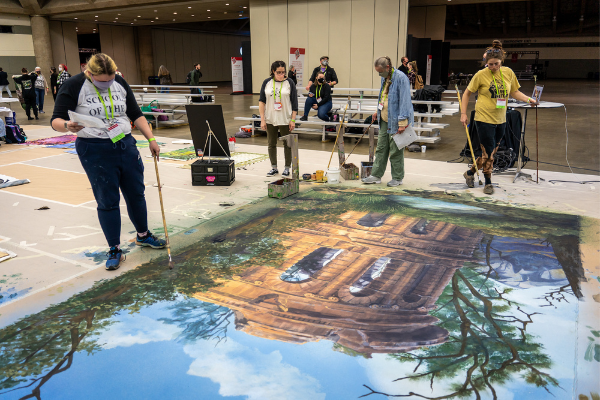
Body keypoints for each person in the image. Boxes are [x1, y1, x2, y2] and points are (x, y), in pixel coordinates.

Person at [51, 53, 166, 270]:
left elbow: (135, 113)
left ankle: (143, 235)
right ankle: (114, 248)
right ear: (89, 73)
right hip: (95, 150)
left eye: (110, 78)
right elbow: (55, 120)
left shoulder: (120, 83)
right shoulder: (74, 85)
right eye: (101, 80)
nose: (106, 83)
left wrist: (151, 138)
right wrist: (67, 125)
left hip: (124, 145)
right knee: (108, 200)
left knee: (136, 193)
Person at [460, 40, 538, 195]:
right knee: (489, 153)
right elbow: (467, 93)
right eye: (490, 64)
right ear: (485, 63)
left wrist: (529, 100)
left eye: (496, 64)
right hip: (483, 118)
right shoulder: (480, 75)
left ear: (501, 61)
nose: (493, 67)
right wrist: (463, 114)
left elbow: (514, 92)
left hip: (501, 119)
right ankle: (488, 182)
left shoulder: (508, 73)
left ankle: (469, 173)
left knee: (489, 153)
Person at [362, 56, 413, 187]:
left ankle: (397, 177)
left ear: (388, 67)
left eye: (380, 71)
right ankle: (376, 175)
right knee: (381, 147)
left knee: (395, 150)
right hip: (384, 118)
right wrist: (377, 111)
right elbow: (383, 96)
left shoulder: (401, 78)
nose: (379, 74)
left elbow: (405, 102)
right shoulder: (384, 78)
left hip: (397, 120)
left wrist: (402, 122)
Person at [259, 60, 298, 177]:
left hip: (285, 119)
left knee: (287, 143)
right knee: (271, 143)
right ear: (273, 71)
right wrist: (262, 119)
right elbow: (262, 101)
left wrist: (293, 119)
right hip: (270, 118)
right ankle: (274, 167)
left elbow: (294, 103)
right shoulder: (267, 82)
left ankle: (287, 168)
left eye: (283, 72)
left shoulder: (290, 82)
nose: (281, 75)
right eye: (278, 72)